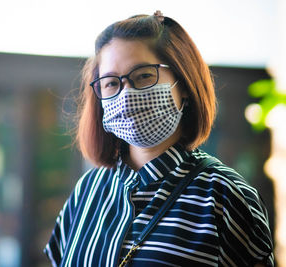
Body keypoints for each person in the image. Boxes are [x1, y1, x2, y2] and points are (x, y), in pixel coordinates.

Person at [44, 11, 274, 266]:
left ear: (184, 83)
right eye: (111, 83)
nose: (126, 95)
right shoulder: (88, 190)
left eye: (143, 75)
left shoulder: (225, 196)